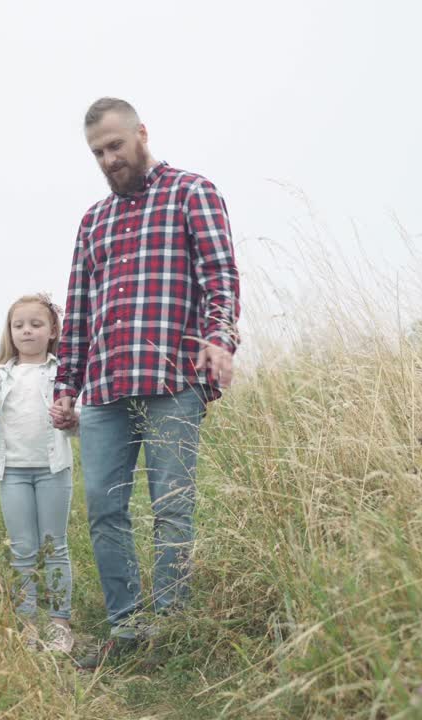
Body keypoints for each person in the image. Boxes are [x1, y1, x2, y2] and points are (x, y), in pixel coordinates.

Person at [50, 97, 241, 669]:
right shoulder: (93, 220)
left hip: (171, 381)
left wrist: (220, 339)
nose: (108, 158)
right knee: (104, 512)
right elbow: (80, 309)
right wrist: (67, 383)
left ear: (141, 134)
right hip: (106, 389)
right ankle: (129, 632)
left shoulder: (191, 192)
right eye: (98, 152)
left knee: (172, 507)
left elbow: (220, 275)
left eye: (115, 145)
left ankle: (173, 630)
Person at [0, 293, 76, 653]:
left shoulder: (62, 372)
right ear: (10, 332)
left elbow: (76, 421)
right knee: (22, 549)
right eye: (19, 325)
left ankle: (59, 623)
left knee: (54, 545)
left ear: (53, 330)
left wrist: (72, 419)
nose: (27, 331)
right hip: (13, 473)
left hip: (53, 470)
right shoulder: (1, 374)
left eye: (36, 324)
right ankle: (27, 624)